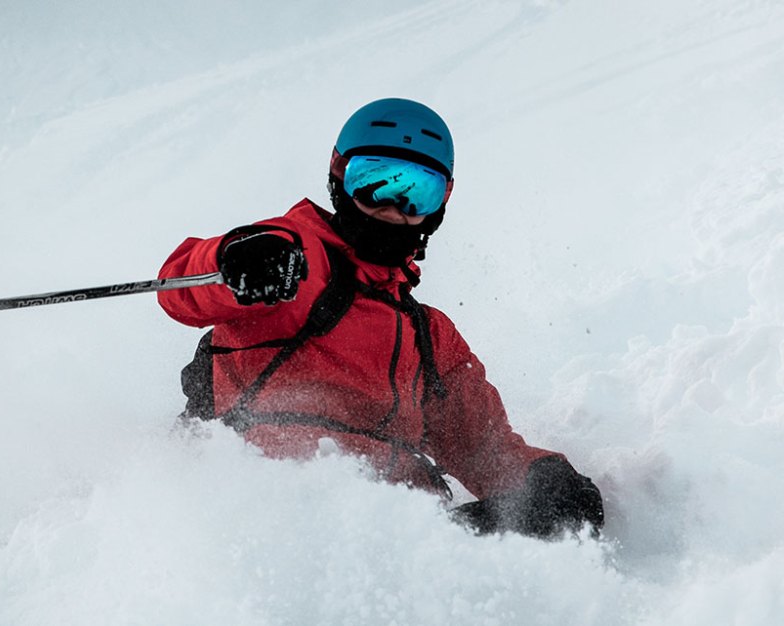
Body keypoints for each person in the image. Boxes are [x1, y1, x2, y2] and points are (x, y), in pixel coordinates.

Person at [157, 98, 604, 538]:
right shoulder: (295, 259)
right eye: (374, 182)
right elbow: (182, 289)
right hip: (267, 511)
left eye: (417, 192)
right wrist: (234, 263)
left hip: (392, 538)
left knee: (546, 522)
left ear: (442, 200)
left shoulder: (430, 336)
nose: (394, 208)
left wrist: (541, 481)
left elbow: (483, 448)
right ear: (339, 173)